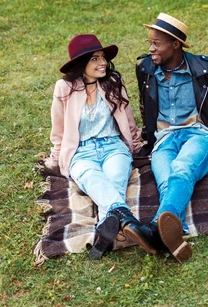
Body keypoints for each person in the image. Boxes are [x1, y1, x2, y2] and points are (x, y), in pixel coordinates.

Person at [128, 13, 208, 263]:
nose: (151, 48)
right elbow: (144, 104)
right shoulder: (146, 67)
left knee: (181, 170)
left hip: (198, 134)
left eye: (157, 43)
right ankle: (171, 233)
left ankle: (153, 231)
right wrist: (146, 135)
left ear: (175, 44)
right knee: (167, 183)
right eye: (149, 42)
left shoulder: (204, 69)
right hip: (163, 138)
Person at [49, 34, 145, 259]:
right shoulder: (64, 88)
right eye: (95, 59)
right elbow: (59, 128)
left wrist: (136, 145)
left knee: (112, 183)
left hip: (114, 148)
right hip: (81, 152)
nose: (102, 63)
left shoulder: (113, 83)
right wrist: (57, 156)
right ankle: (127, 219)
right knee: (92, 177)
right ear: (81, 64)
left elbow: (129, 121)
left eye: (103, 58)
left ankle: (105, 231)